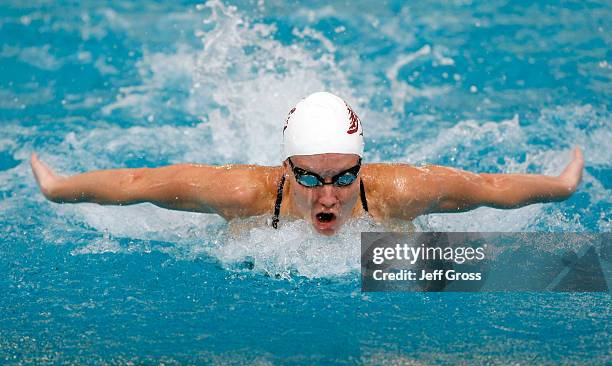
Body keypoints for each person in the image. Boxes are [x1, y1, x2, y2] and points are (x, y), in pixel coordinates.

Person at [31, 92, 584, 236]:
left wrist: (561, 185)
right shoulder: (241, 193)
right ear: (285, 169)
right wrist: (57, 190)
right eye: (310, 178)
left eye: (346, 177)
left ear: (362, 169)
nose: (328, 196)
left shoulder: (399, 192)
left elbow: (489, 186)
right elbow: (139, 183)